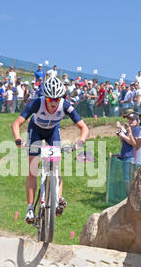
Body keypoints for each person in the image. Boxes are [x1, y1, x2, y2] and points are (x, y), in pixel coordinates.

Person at [11, 77, 88, 224]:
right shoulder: (37, 103)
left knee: (56, 168)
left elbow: (84, 127)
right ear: (45, 98)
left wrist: (80, 142)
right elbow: (16, 123)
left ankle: (58, 199)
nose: (53, 103)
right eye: (49, 99)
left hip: (53, 132)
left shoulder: (66, 105)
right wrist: (18, 139)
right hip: (36, 131)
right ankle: (29, 209)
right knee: (33, 170)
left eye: (56, 99)